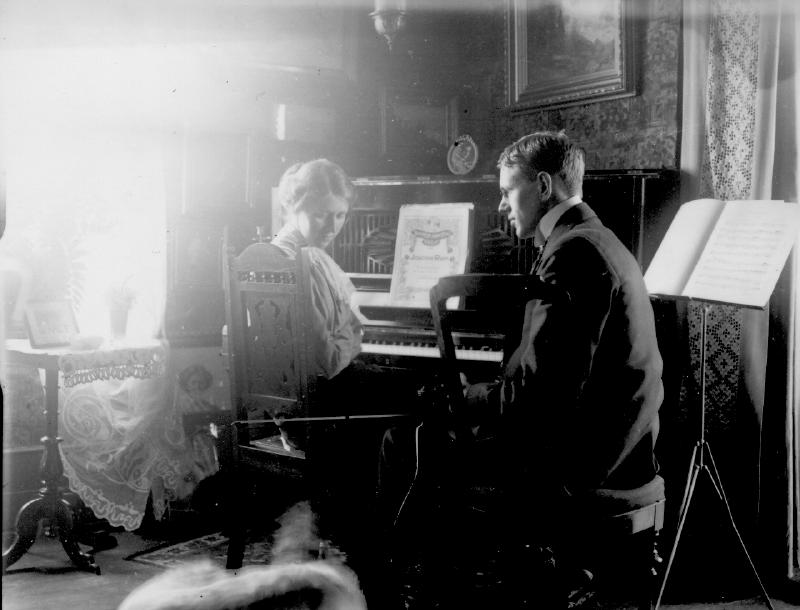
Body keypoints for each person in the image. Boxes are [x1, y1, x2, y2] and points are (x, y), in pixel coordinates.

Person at [379, 131, 664, 607]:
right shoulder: (594, 237)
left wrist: (461, 396)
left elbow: (536, 394)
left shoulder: (571, 253)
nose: (501, 205)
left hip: (587, 460)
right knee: (440, 438)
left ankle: (416, 591)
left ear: (544, 186)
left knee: (404, 442)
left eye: (508, 191)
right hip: (623, 444)